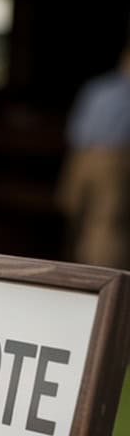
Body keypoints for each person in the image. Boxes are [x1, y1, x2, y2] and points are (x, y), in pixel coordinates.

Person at [58, 41, 130, 269]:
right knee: (104, 221)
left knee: (78, 216)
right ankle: (97, 274)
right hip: (113, 160)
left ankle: (75, 266)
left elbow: (75, 129)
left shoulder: (97, 87)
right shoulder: (112, 91)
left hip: (82, 156)